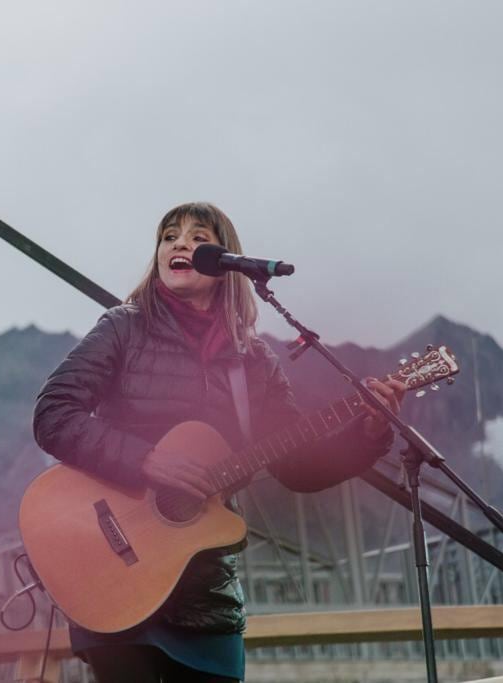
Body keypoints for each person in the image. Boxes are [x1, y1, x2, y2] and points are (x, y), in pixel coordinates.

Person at [32, 202, 406, 683]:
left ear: (226, 262)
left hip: (206, 592)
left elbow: (295, 466)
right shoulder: (122, 328)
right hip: (115, 576)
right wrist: (146, 461)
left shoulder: (253, 361)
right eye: (169, 236)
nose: (180, 243)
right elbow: (53, 415)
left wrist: (367, 433)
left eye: (197, 236)